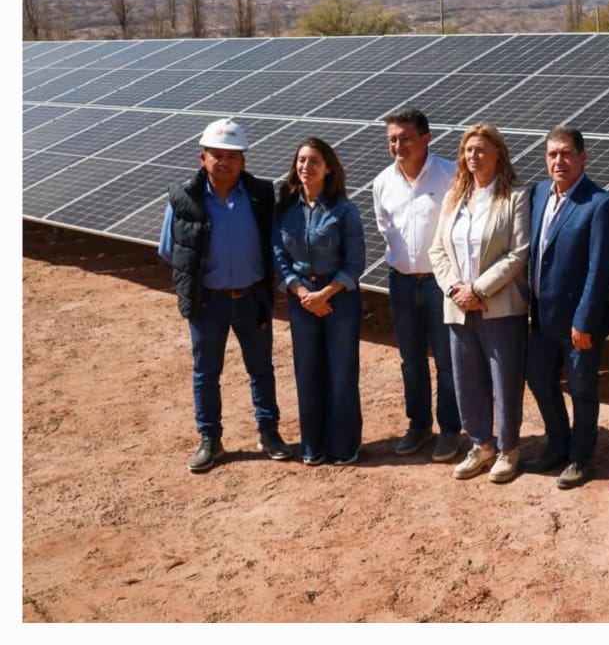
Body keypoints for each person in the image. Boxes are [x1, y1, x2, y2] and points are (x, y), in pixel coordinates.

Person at [157, 117, 292, 472]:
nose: (225, 161)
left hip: (251, 298)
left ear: (243, 160)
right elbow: (171, 250)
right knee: (206, 372)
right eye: (216, 154)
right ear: (202, 159)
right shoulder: (183, 199)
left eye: (232, 155)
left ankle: (268, 431)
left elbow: (275, 242)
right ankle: (210, 439)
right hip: (208, 301)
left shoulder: (262, 195)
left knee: (261, 369)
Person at [429, 122, 531, 485]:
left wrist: (479, 289)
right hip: (458, 306)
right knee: (466, 379)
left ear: (498, 154)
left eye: (481, 150)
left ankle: (508, 449)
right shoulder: (454, 196)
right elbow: (437, 250)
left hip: (500, 306)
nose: (473, 156)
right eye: (468, 150)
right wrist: (455, 289)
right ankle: (480, 444)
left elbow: (518, 252)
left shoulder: (515, 197)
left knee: (504, 380)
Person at [525, 126, 609, 489]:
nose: (558, 161)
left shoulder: (599, 203)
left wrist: (582, 320)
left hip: (578, 322)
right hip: (541, 318)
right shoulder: (537, 195)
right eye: (552, 154)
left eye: (566, 154)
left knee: (581, 389)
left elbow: (598, 270)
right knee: (539, 380)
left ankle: (581, 457)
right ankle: (556, 444)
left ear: (583, 157)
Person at [372, 106, 461, 462]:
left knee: (446, 360)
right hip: (402, 283)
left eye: (405, 138)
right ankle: (419, 426)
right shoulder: (382, 183)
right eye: (392, 139)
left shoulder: (450, 176)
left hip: (440, 283)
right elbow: (384, 229)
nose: (398, 145)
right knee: (410, 359)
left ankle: (451, 430)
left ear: (426, 138)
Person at [271, 137, 366, 466]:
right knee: (307, 373)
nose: (305, 166)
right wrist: (301, 293)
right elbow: (278, 256)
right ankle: (313, 445)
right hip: (301, 300)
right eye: (301, 160)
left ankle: (344, 446)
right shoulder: (285, 210)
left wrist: (325, 294)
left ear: (328, 168)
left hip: (340, 300)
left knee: (341, 375)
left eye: (313, 161)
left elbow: (355, 263)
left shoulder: (344, 210)